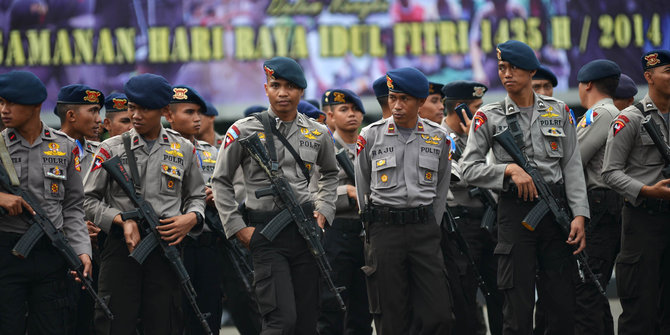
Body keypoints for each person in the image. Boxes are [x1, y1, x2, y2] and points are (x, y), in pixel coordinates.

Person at [461, 40, 589, 334]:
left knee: (561, 304)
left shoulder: (559, 111)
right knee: (517, 305)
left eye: (513, 67)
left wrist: (580, 214)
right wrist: (507, 170)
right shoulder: (489, 115)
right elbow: (469, 168)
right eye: (502, 67)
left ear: (531, 71)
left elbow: (571, 166)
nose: (506, 73)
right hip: (516, 213)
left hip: (557, 212)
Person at [211, 57, 339, 334]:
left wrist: (323, 213)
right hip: (265, 234)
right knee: (280, 321)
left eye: (290, 87)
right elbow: (220, 181)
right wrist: (238, 229)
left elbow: (330, 174)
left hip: (306, 232)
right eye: (275, 85)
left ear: (301, 91)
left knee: (306, 323)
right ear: (266, 88)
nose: (283, 93)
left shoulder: (318, 132)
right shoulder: (243, 130)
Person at [83, 73, 206, 334]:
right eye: (132, 107)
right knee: (114, 323)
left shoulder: (183, 148)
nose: (136, 115)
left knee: (165, 323)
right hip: (121, 249)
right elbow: (87, 200)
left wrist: (192, 218)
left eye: (144, 108)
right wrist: (121, 220)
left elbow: (196, 196)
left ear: (163, 110)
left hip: (166, 247)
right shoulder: (110, 148)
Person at [355, 67, 454, 334]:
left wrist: (430, 225)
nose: (396, 106)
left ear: (421, 102)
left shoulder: (439, 137)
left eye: (404, 99)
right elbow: (363, 187)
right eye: (392, 98)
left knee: (439, 314)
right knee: (391, 315)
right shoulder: (370, 136)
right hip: (385, 231)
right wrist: (374, 230)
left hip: (424, 230)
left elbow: (441, 189)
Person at [0, 70, 92, 334]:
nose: (4, 110)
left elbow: (73, 206)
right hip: (7, 251)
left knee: (52, 327)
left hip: (52, 253)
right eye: (1, 102)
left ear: (35, 106)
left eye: (11, 103)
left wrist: (82, 250)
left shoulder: (64, 146)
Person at [602, 49, 670, 334]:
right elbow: (609, 172)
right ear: (649, 77)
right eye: (668, 72)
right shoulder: (631, 119)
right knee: (640, 311)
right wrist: (646, 190)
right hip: (644, 222)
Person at [441, 80, 503, 335]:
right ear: (460, 109)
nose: (482, 112)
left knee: (500, 293)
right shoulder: (440, 137)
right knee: (464, 295)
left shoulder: (481, 135)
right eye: (477, 107)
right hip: (461, 223)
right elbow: (468, 175)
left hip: (490, 221)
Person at [166, 85, 224, 334]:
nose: (197, 118)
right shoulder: (160, 150)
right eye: (189, 112)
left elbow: (233, 193)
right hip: (175, 242)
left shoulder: (212, 153)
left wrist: (217, 197)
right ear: (169, 115)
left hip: (210, 243)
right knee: (174, 315)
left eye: (199, 112)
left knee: (209, 314)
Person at [318, 88, 373, 335]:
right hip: (337, 232)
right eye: (343, 110)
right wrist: (347, 193)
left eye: (355, 109)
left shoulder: (372, 146)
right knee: (333, 305)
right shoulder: (323, 149)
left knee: (364, 307)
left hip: (369, 232)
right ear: (329, 117)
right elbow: (310, 193)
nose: (351, 114)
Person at [574, 59, 622, 335]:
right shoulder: (613, 112)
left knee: (585, 289)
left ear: (587, 84)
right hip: (608, 205)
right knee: (595, 287)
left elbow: (573, 160)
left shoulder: (599, 114)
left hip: (600, 205)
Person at [54, 84, 106, 335]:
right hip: (57, 254)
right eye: (93, 111)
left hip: (97, 254)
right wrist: (73, 230)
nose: (99, 120)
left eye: (99, 112)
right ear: (71, 115)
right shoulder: (49, 149)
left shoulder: (101, 154)